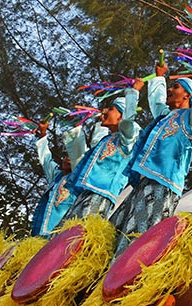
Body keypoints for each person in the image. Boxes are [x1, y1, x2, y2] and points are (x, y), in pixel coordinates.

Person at [108, 50, 192, 254]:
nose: (170, 89)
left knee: (139, 240)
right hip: (144, 181)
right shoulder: (164, 116)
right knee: (117, 233)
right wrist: (158, 77)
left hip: (163, 185)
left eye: (175, 86)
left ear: (188, 95)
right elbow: (156, 100)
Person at [60, 87, 139, 221]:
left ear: (122, 115)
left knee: (82, 233)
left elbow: (128, 122)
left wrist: (134, 92)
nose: (105, 110)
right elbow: (92, 143)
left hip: (101, 194)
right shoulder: (108, 139)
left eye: (111, 109)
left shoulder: (128, 138)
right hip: (86, 191)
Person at [30, 121, 80, 237]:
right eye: (66, 156)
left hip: (62, 234)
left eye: (71, 158)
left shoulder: (78, 180)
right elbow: (46, 160)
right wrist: (43, 134)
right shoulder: (56, 176)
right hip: (40, 232)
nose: (67, 159)